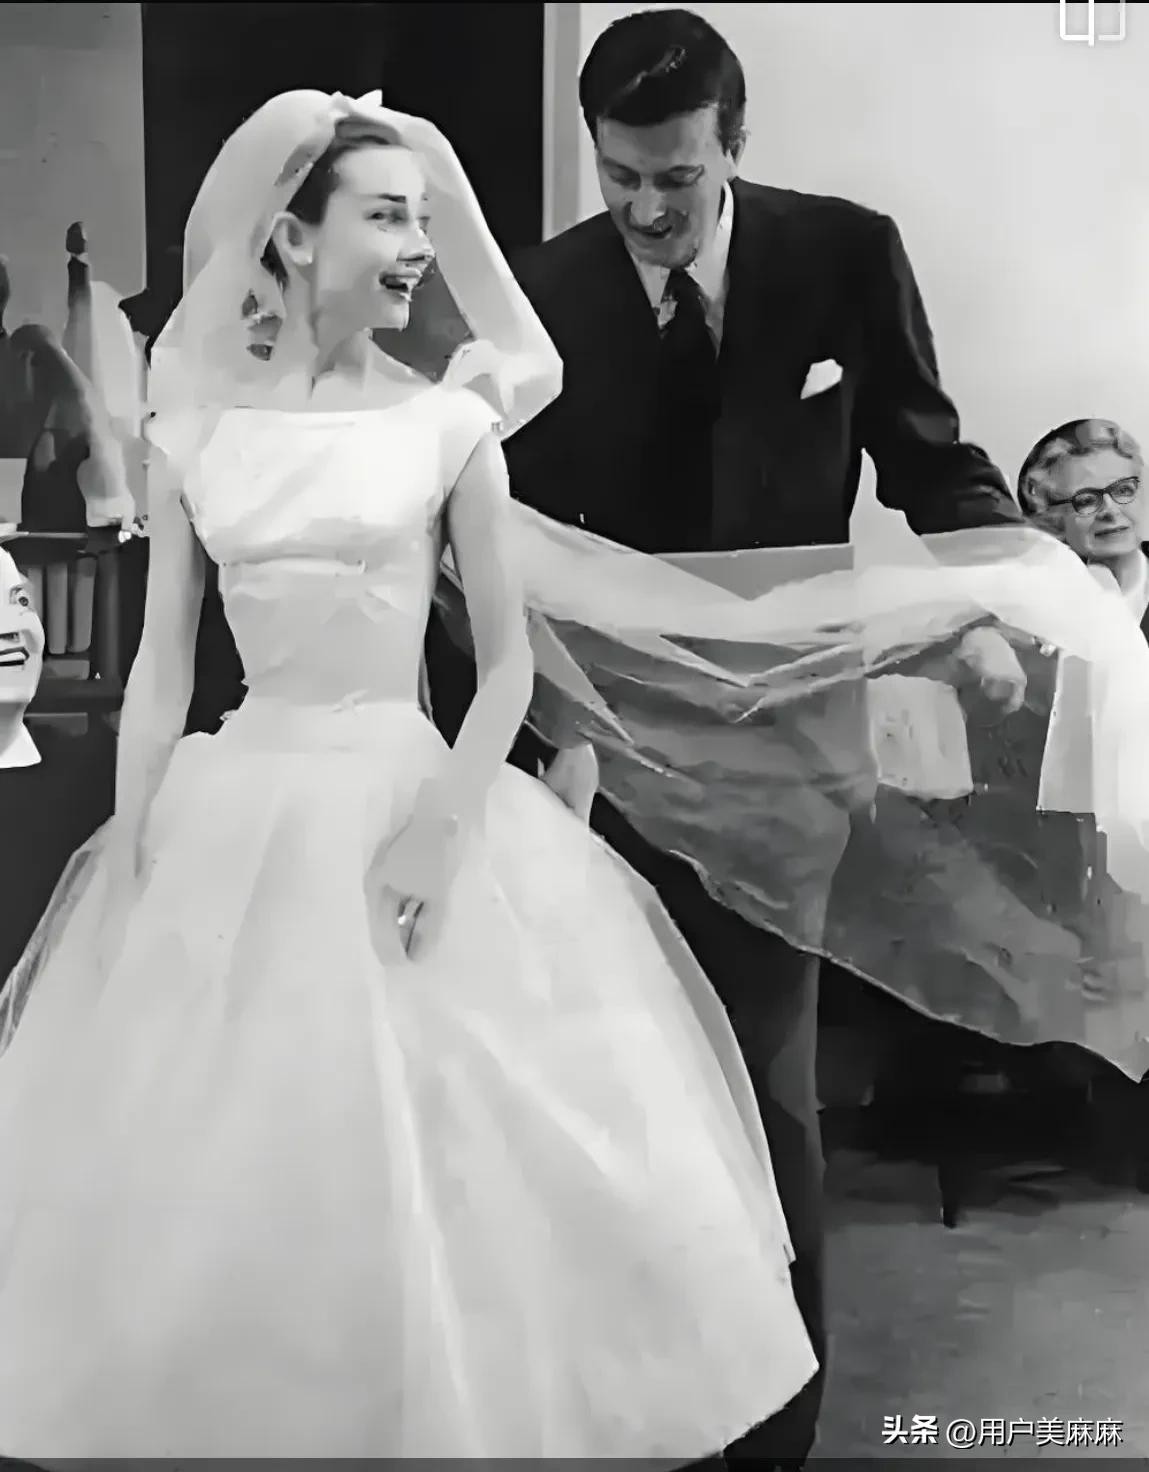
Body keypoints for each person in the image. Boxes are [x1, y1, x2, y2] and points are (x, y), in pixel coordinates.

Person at [0, 90, 819, 1461]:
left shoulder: (449, 427)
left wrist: (440, 833)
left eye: (423, 222)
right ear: (291, 235)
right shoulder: (193, 433)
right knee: (231, 1161)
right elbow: (160, 671)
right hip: (238, 801)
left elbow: (502, 671)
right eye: (387, 218)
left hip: (411, 790)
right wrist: (134, 847)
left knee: (457, 1149)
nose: (417, 250)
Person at [483, 10, 1030, 1465]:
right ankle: (641, 1407)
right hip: (600, 755)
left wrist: (990, 600)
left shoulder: (843, 254)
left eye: (676, 177)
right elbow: (504, 537)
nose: (646, 211)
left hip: (786, 747)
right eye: (619, 178)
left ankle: (774, 1432)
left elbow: (930, 459)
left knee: (765, 1083)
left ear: (736, 144)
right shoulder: (541, 291)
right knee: (616, 1087)